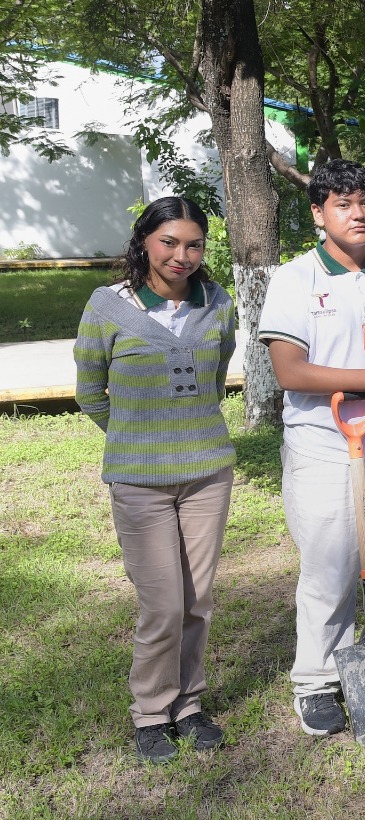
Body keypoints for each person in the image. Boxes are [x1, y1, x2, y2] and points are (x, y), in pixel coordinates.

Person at [259, 159, 365, 737]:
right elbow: (290, 370)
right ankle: (316, 680)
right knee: (331, 569)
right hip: (325, 448)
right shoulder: (294, 280)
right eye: (342, 203)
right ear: (318, 213)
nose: (358, 214)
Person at [74, 197, 236, 763]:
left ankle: (188, 704)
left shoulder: (219, 305)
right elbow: (91, 391)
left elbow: (214, 380)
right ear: (144, 241)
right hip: (139, 482)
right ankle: (150, 711)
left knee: (198, 600)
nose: (182, 255)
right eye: (169, 242)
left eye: (194, 244)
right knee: (163, 602)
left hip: (207, 474)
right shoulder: (107, 307)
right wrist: (133, 439)